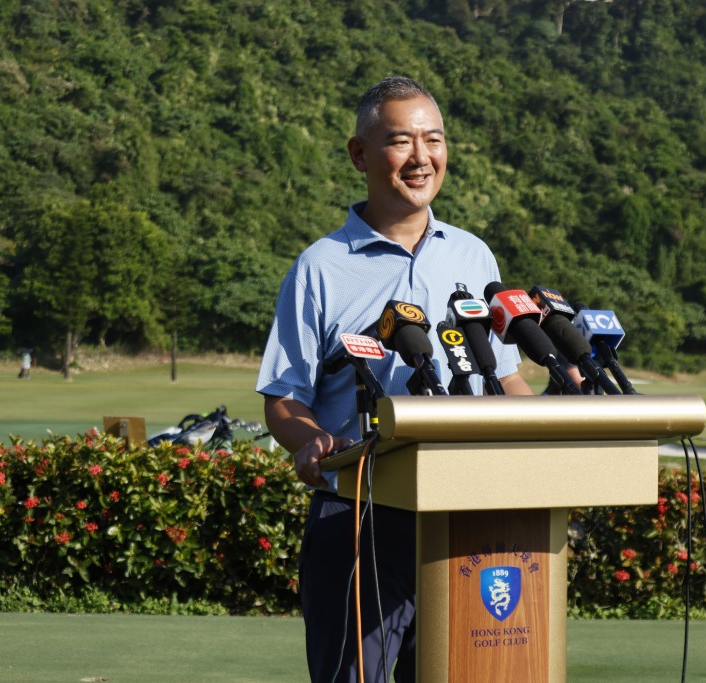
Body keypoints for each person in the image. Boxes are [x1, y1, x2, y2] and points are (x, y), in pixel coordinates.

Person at [256, 76, 533, 683]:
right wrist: (309, 441)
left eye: (433, 140)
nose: (421, 157)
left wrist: (549, 432)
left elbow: (505, 382)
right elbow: (283, 397)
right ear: (360, 154)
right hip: (358, 512)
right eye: (400, 141)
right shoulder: (320, 267)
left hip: (466, 510)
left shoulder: (473, 256)